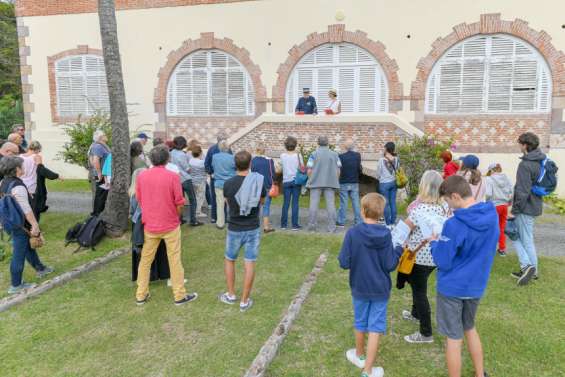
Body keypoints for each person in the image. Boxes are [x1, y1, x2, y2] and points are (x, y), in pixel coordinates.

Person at [431, 175, 499, 377]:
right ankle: (480, 374)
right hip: (476, 285)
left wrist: (435, 243)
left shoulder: (454, 224)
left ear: (455, 196)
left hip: (452, 288)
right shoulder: (492, 214)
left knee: (453, 338)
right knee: (469, 327)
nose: (448, 206)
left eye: (447, 202)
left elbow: (442, 260)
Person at [338, 193, 403, 377]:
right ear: (381, 213)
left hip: (359, 286)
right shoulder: (386, 234)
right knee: (375, 326)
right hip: (379, 288)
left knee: (361, 321)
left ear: (362, 210)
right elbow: (390, 264)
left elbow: (343, 262)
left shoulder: (353, 233)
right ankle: (364, 364)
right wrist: (398, 249)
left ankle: (363, 362)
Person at [134, 145, 197, 306]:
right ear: (167, 158)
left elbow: (140, 199)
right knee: (174, 260)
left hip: (150, 224)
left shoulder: (142, 176)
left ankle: (141, 294)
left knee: (146, 260)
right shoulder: (172, 177)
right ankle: (179, 295)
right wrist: (176, 216)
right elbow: (179, 202)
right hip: (169, 224)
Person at [401, 170, 448, 344]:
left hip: (419, 257)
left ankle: (425, 333)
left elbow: (404, 229)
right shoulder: (443, 208)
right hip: (435, 256)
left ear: (424, 186)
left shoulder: (419, 209)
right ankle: (415, 314)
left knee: (419, 292)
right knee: (416, 285)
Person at [218, 151, 266, 312]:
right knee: (249, 262)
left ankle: (231, 295)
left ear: (235, 165)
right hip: (252, 226)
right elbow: (261, 201)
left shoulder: (228, 183)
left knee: (230, 259)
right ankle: (244, 301)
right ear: (250, 164)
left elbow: (228, 203)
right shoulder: (257, 182)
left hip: (234, 227)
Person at [0, 156, 54, 294]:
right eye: (22, 166)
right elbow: (26, 209)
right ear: (17, 169)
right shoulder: (18, 186)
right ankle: (16, 285)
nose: (24, 168)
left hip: (11, 221)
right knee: (19, 253)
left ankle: (40, 269)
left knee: (27, 247)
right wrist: (35, 225)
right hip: (20, 224)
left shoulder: (3, 182)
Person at [510, 132, 545, 285]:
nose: (519, 146)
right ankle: (530, 269)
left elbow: (522, 191)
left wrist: (514, 210)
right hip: (535, 204)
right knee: (525, 238)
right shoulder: (540, 160)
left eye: (520, 143)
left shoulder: (525, 164)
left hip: (525, 207)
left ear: (525, 145)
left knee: (525, 239)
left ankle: (532, 270)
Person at [129, 168, 170, 283]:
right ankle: (154, 275)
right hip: (145, 223)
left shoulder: (134, 193)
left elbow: (132, 213)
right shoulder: (139, 193)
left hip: (139, 223)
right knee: (150, 250)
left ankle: (150, 276)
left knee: (146, 251)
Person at [306, 136, 341, 233]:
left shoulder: (313, 154)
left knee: (313, 204)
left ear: (318, 143)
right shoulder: (335, 154)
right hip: (330, 182)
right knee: (331, 204)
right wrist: (335, 180)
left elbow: (309, 169)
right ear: (328, 143)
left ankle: (312, 227)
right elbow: (338, 169)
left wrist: (311, 179)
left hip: (315, 182)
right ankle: (332, 227)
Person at [170, 136, 203, 227]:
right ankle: (193, 220)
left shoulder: (171, 153)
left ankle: (179, 219)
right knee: (193, 200)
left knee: (180, 201)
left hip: (176, 179)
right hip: (185, 179)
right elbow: (187, 169)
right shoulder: (182, 154)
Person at [485, 163, 513, 257]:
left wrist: (486, 201)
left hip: (494, 206)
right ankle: (502, 249)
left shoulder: (489, 179)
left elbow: (488, 194)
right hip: (504, 205)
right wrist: (508, 201)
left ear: (492, 170)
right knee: (501, 228)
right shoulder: (506, 178)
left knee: (491, 228)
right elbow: (511, 191)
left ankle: (489, 248)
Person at [205, 132, 230, 224]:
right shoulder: (212, 149)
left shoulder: (227, 149)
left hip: (221, 177)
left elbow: (206, 164)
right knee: (218, 197)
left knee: (220, 197)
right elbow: (207, 164)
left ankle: (221, 217)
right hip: (217, 177)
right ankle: (216, 217)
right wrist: (211, 173)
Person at [251, 147, 277, 233]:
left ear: (256, 151)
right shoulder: (270, 161)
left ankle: (253, 225)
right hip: (267, 185)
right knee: (266, 206)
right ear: (264, 151)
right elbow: (273, 174)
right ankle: (266, 227)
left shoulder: (253, 160)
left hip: (256, 185)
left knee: (255, 206)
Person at [337, 139, 362, 227]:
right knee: (356, 202)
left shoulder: (340, 156)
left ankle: (341, 221)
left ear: (345, 146)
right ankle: (358, 221)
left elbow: (339, 169)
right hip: (354, 181)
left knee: (343, 202)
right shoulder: (357, 155)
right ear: (353, 146)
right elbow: (359, 168)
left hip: (343, 181)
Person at [211, 140, 236, 229]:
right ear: (228, 147)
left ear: (219, 147)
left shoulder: (214, 157)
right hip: (230, 183)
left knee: (220, 204)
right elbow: (235, 168)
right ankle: (234, 221)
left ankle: (220, 223)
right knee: (232, 204)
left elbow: (213, 167)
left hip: (219, 182)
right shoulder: (232, 157)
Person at [280, 136, 303, 230]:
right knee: (295, 203)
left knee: (286, 203)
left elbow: (280, 168)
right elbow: (302, 168)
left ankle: (283, 225)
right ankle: (294, 225)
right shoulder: (298, 155)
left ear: (285, 145)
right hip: (296, 181)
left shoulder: (282, 156)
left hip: (286, 181)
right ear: (295, 145)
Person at [88, 130, 111, 216]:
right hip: (101, 174)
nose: (106, 136)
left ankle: (96, 213)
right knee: (101, 195)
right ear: (100, 137)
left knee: (100, 194)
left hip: (102, 173)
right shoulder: (98, 146)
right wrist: (99, 173)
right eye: (105, 134)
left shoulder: (99, 146)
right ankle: (97, 214)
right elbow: (95, 160)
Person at [376, 142, 399, 225]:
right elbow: (397, 170)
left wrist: (378, 178)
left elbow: (378, 172)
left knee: (386, 203)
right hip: (394, 182)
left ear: (386, 149)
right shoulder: (396, 159)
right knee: (393, 202)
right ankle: (393, 221)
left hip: (384, 183)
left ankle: (388, 223)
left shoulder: (381, 160)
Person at [189, 145, 208, 218]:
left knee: (195, 196)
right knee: (200, 196)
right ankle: (198, 212)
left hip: (193, 180)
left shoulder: (191, 160)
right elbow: (206, 170)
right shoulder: (202, 162)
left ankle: (196, 210)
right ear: (200, 153)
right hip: (201, 181)